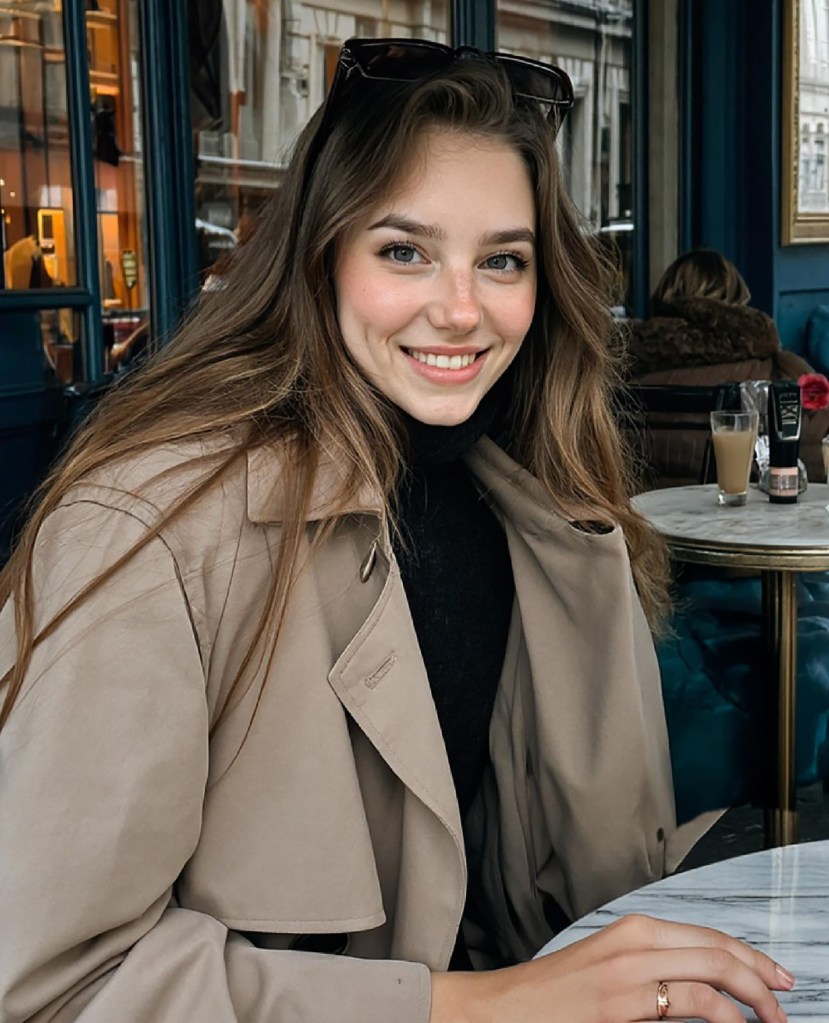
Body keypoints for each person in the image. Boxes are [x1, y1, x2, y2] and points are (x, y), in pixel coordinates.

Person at [0, 39, 793, 1023]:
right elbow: (52, 987)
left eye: (502, 260)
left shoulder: (546, 501)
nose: (461, 310)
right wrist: (488, 1005)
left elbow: (578, 882)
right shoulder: (151, 527)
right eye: (404, 251)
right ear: (321, 254)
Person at [627, 247, 829, 486]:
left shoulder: (627, 369)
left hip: (641, 511)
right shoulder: (778, 372)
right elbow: (814, 454)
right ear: (738, 301)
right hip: (748, 514)